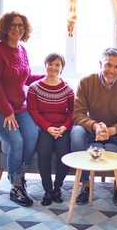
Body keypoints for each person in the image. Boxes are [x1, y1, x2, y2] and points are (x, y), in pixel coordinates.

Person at [0, 11, 44, 206]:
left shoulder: (22, 50)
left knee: (32, 136)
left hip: (18, 105)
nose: (17, 29)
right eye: (13, 25)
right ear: (5, 28)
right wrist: (7, 111)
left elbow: (26, 78)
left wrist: (49, 76)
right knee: (16, 142)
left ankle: (19, 177)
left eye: (20, 26)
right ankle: (15, 188)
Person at [70, 47, 117, 206]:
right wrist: (95, 127)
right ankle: (85, 185)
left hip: (115, 131)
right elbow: (78, 114)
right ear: (101, 63)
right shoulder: (86, 81)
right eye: (108, 65)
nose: (112, 70)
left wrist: (111, 131)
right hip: (91, 130)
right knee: (76, 133)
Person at [27, 52, 74, 206]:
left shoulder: (68, 90)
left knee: (64, 154)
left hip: (62, 129)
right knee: (44, 152)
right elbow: (33, 112)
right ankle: (47, 190)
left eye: (57, 65)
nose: (53, 67)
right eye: (51, 64)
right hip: (44, 128)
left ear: (62, 68)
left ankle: (57, 188)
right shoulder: (34, 88)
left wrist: (64, 127)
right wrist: (47, 128)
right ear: (45, 65)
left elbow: (73, 113)